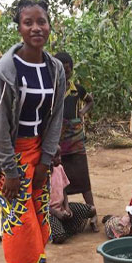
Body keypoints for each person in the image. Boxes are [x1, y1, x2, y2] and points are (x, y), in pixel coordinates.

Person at [0, 0, 66, 263]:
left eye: (41, 21)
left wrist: (46, 159)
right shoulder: (6, 71)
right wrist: (10, 170)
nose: (36, 28)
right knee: (19, 219)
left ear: (49, 25)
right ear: (19, 28)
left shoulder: (54, 68)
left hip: (38, 151)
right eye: (28, 22)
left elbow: (55, 116)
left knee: (41, 211)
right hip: (10, 154)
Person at [54, 52, 98, 232]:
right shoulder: (52, 91)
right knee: (59, 177)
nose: (65, 74)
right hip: (57, 141)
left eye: (68, 70)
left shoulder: (77, 89)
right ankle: (64, 211)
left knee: (83, 177)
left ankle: (93, 214)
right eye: (61, 70)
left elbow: (90, 101)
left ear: (72, 70)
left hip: (76, 141)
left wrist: (82, 113)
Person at [50, 146, 97, 243]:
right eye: (56, 156)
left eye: (60, 156)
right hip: (50, 214)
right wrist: (56, 213)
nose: (59, 159)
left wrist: (67, 208)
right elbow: (40, 205)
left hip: (62, 208)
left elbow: (64, 190)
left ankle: (62, 225)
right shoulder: (43, 175)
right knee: (60, 237)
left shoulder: (59, 168)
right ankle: (59, 228)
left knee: (92, 210)